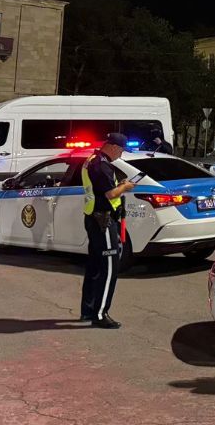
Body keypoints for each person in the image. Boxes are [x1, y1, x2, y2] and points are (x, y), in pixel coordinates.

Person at [80, 133, 135, 328]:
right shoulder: (101, 165)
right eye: (121, 150)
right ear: (113, 147)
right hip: (102, 220)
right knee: (110, 268)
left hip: (94, 218)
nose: (121, 154)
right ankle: (100, 314)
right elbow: (110, 194)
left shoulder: (92, 160)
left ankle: (88, 311)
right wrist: (125, 186)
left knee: (95, 267)